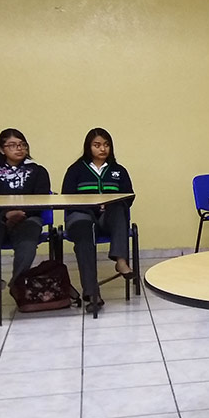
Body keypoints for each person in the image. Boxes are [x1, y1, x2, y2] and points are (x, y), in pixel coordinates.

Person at [61, 128, 134, 313]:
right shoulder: (76, 170)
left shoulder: (118, 170)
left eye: (106, 145)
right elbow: (67, 199)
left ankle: (121, 260)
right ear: (88, 147)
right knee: (84, 236)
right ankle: (93, 294)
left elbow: (129, 197)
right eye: (97, 145)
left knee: (118, 207)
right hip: (81, 217)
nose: (103, 149)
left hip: (108, 220)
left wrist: (107, 205)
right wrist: (93, 206)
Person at [0, 129, 52, 292]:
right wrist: (5, 214)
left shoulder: (38, 171)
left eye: (22, 145)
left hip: (27, 217)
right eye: (13, 145)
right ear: (1, 149)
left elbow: (42, 198)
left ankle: (18, 281)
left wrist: (23, 214)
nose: (19, 148)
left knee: (29, 235)